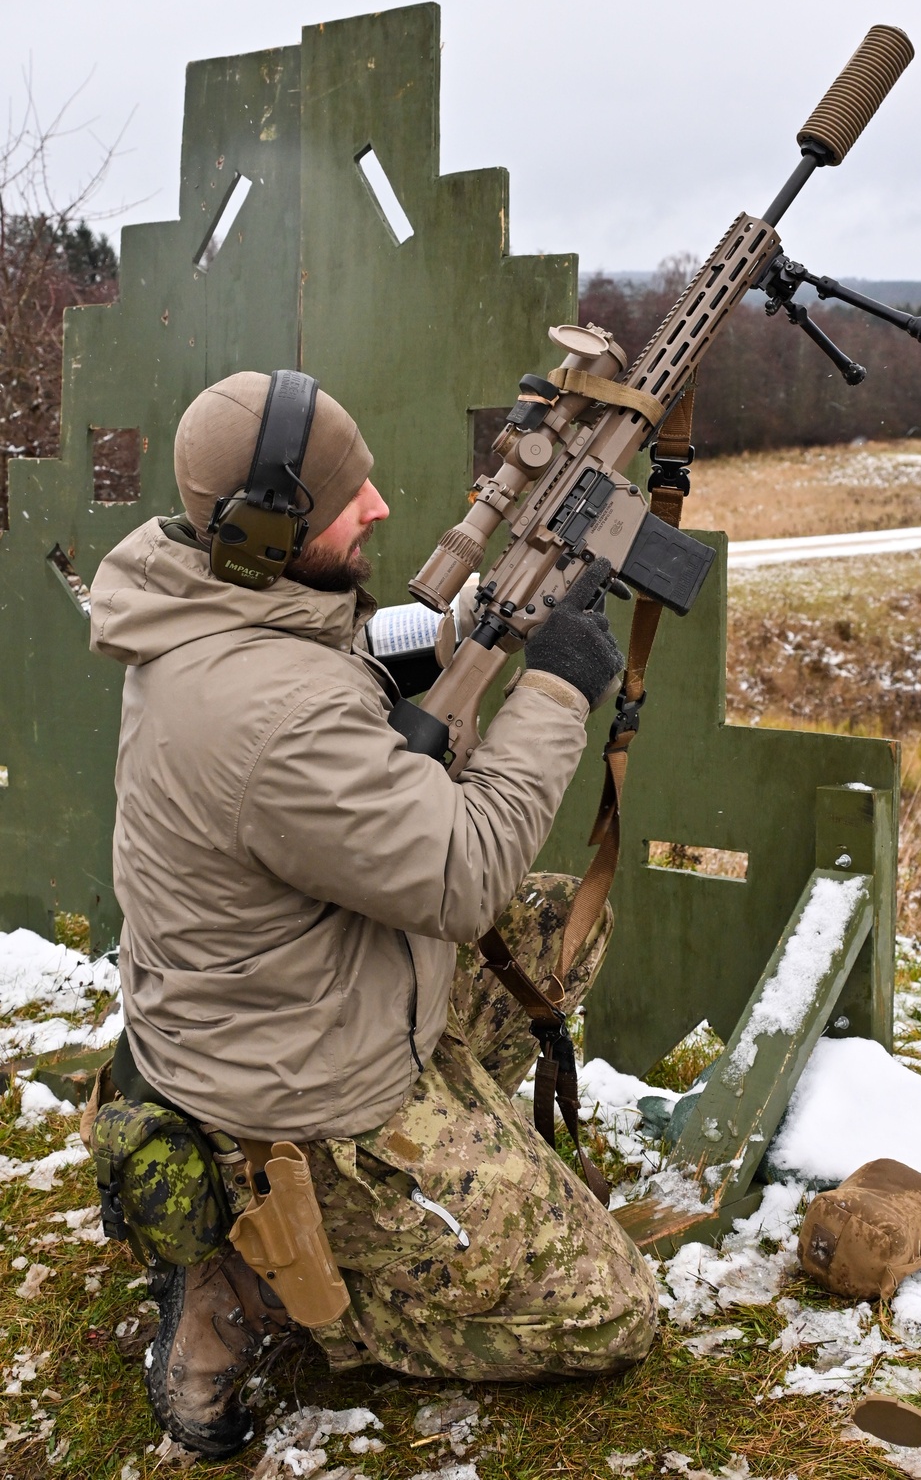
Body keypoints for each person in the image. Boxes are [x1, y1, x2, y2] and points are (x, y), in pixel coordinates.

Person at [88, 370, 658, 1459]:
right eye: (349, 498)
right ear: (266, 530)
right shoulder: (273, 715)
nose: (380, 507)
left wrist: (437, 639)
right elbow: (466, 875)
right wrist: (553, 689)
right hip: (298, 1096)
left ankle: (431, 1165)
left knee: (560, 928)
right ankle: (279, 1280)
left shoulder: (205, 600)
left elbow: (322, 668)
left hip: (281, 1002)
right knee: (610, 1309)